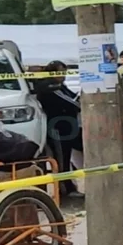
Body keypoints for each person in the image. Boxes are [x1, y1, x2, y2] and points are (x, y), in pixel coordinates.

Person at [36, 60, 85, 200]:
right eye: (60, 73)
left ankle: (68, 186)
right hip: (57, 128)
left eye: (64, 73)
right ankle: (65, 189)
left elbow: (71, 97)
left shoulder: (59, 85)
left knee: (68, 155)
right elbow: (71, 102)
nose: (63, 76)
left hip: (68, 126)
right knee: (61, 159)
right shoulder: (49, 86)